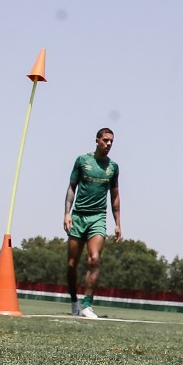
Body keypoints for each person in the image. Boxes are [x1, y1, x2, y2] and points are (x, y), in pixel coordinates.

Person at [64, 128, 122, 319]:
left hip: (98, 218)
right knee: (72, 264)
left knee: (95, 259)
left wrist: (117, 223)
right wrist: (67, 213)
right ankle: (74, 301)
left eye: (112, 141)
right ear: (97, 140)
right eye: (105, 140)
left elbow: (114, 195)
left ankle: (87, 305)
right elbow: (72, 186)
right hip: (78, 216)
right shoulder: (82, 161)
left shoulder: (113, 167)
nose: (109, 144)